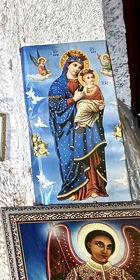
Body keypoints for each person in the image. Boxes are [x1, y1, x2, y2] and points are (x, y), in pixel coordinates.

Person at [48, 51, 108, 200]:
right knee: (69, 157)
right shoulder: (58, 84)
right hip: (67, 128)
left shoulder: (86, 83)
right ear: (67, 65)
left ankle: (93, 187)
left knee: (91, 154)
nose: (77, 68)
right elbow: (55, 106)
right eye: (75, 65)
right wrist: (73, 100)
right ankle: (74, 191)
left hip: (87, 127)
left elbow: (97, 100)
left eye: (80, 66)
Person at [74, 69, 105, 134]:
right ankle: (80, 124)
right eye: (88, 78)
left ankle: (83, 124)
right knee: (80, 106)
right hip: (90, 102)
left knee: (83, 107)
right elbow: (83, 94)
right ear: (84, 80)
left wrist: (83, 93)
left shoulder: (95, 87)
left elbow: (90, 95)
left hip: (97, 103)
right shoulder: (85, 87)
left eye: (92, 77)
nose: (91, 79)